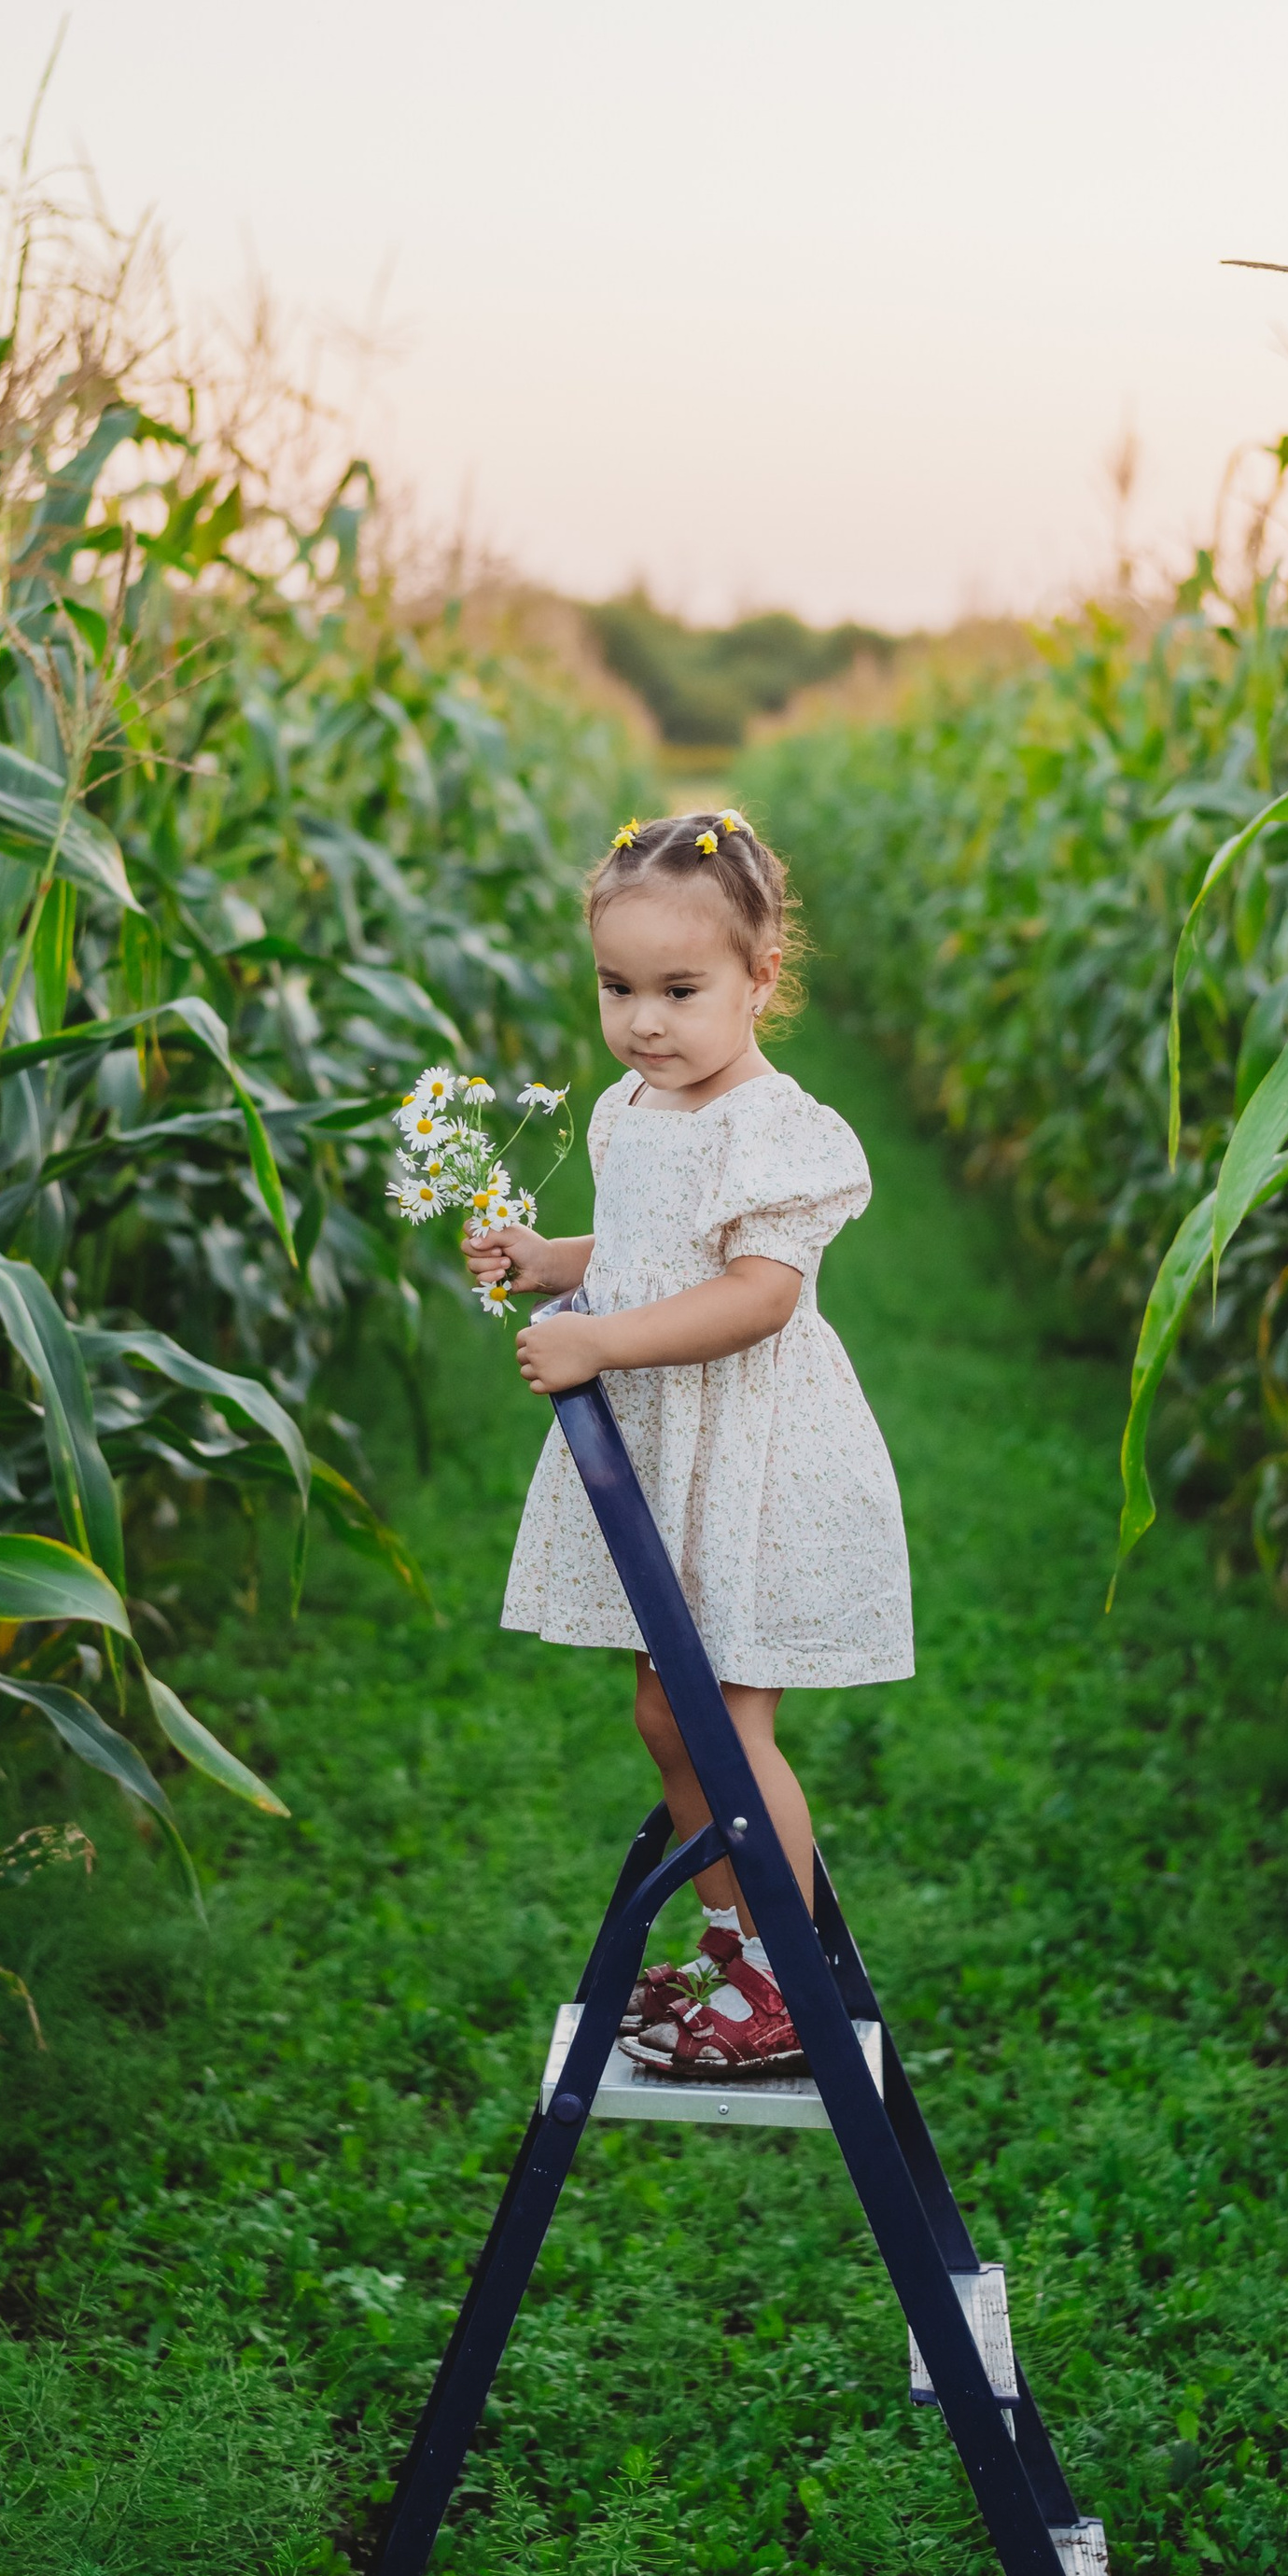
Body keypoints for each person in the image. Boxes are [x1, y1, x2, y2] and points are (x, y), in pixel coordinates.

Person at [463, 806, 913, 2075]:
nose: (644, 1022)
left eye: (679, 991)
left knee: (722, 1724)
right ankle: (738, 1946)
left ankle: (783, 1975)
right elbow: (653, 1249)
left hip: (753, 1459)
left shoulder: (773, 1128)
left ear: (760, 981)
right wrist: (555, 1261)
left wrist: (600, 1342)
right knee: (669, 1717)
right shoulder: (637, 1107)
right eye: (618, 988)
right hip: (670, 1461)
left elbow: (756, 1294)